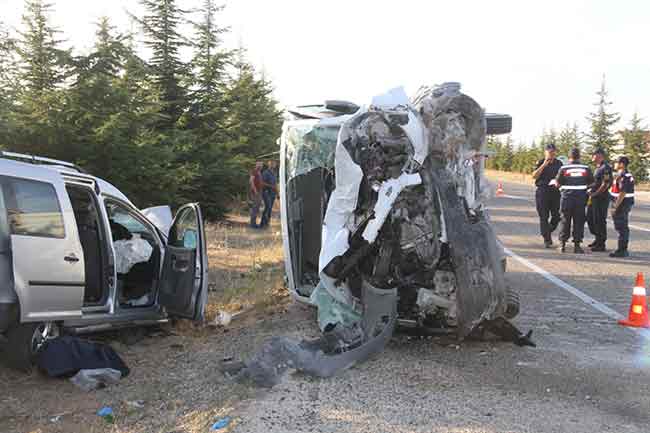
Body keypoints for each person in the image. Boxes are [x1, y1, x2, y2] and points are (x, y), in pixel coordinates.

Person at [554, 148, 593, 253]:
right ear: (579, 156)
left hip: (567, 198)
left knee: (564, 220)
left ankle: (562, 245)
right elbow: (591, 183)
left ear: (569, 157)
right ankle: (577, 246)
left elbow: (557, 183)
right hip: (580, 199)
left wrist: (564, 188)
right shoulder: (586, 168)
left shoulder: (564, 168)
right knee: (579, 221)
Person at [532, 143, 564, 248]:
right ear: (545, 152)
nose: (551, 153)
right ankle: (547, 239)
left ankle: (547, 231)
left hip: (555, 192)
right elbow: (534, 176)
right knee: (544, 216)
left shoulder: (559, 163)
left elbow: (562, 177)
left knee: (556, 216)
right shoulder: (540, 162)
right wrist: (544, 165)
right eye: (549, 151)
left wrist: (560, 183)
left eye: (553, 151)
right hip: (543, 191)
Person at [586, 148, 613, 252]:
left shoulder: (606, 168)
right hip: (593, 197)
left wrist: (594, 194)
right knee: (590, 219)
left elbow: (605, 184)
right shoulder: (597, 167)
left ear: (600, 156)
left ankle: (601, 243)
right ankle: (597, 238)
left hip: (601, 198)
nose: (592, 156)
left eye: (594, 155)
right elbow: (596, 182)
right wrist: (589, 187)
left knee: (599, 220)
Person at [609, 156, 635, 258]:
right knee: (620, 226)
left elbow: (622, 193)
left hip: (622, 205)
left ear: (622, 164)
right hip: (619, 203)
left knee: (622, 227)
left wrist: (615, 206)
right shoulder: (619, 175)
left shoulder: (625, 176)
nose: (614, 164)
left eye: (616, 162)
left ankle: (622, 250)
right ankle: (622, 249)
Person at [260, 160, 278, 228]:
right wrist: (271, 186)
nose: (273, 165)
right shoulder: (265, 172)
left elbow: (275, 184)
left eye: (274, 164)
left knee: (270, 209)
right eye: (271, 164)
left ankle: (267, 224)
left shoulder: (275, 173)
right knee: (268, 207)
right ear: (269, 165)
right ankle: (262, 224)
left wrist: (277, 193)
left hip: (273, 193)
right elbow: (262, 182)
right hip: (266, 192)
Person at [249, 161, 263, 228]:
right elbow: (251, 181)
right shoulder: (254, 171)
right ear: (256, 165)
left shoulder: (259, 172)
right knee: (255, 207)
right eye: (259, 164)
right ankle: (252, 224)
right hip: (255, 193)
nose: (260, 166)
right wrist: (255, 191)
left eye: (261, 164)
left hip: (259, 192)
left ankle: (254, 223)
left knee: (257, 208)